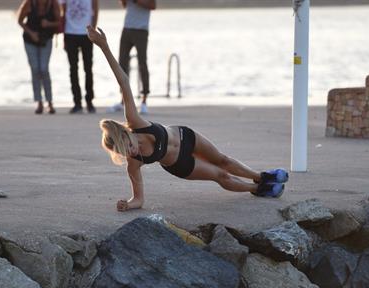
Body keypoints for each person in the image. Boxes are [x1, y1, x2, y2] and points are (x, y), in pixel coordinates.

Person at [86, 26, 288, 212]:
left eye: (128, 146)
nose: (131, 152)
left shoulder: (134, 121)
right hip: (180, 164)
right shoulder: (134, 164)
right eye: (125, 153)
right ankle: (257, 189)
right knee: (221, 175)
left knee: (222, 160)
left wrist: (104, 47)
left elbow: (124, 82)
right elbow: (138, 200)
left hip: (185, 136)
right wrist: (128, 205)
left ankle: (262, 177)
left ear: (127, 133)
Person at [108, 0, 155, 115]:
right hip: (127, 28)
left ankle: (144, 101)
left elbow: (152, 6)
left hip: (141, 30)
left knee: (142, 64)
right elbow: (125, 5)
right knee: (122, 64)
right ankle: (123, 100)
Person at [17, 0, 60, 114]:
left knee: (44, 69)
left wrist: (48, 24)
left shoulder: (53, 3)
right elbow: (20, 21)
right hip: (30, 40)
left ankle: (50, 102)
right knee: (35, 69)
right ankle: (39, 102)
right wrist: (31, 33)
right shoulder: (29, 3)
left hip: (46, 40)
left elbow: (59, 22)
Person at [59, 0, 99, 114]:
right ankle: (77, 102)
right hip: (70, 33)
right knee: (73, 68)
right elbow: (63, 11)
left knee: (88, 68)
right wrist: (63, 35)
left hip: (86, 33)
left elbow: (95, 10)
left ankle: (89, 101)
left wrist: (93, 30)